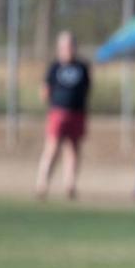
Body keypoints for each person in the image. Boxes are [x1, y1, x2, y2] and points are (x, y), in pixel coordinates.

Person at [35, 31, 91, 200]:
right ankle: (42, 184)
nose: (68, 49)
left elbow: (87, 88)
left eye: (71, 45)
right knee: (52, 148)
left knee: (73, 149)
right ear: (59, 48)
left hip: (77, 113)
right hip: (58, 112)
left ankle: (70, 185)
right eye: (65, 46)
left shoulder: (82, 67)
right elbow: (45, 90)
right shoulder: (54, 67)